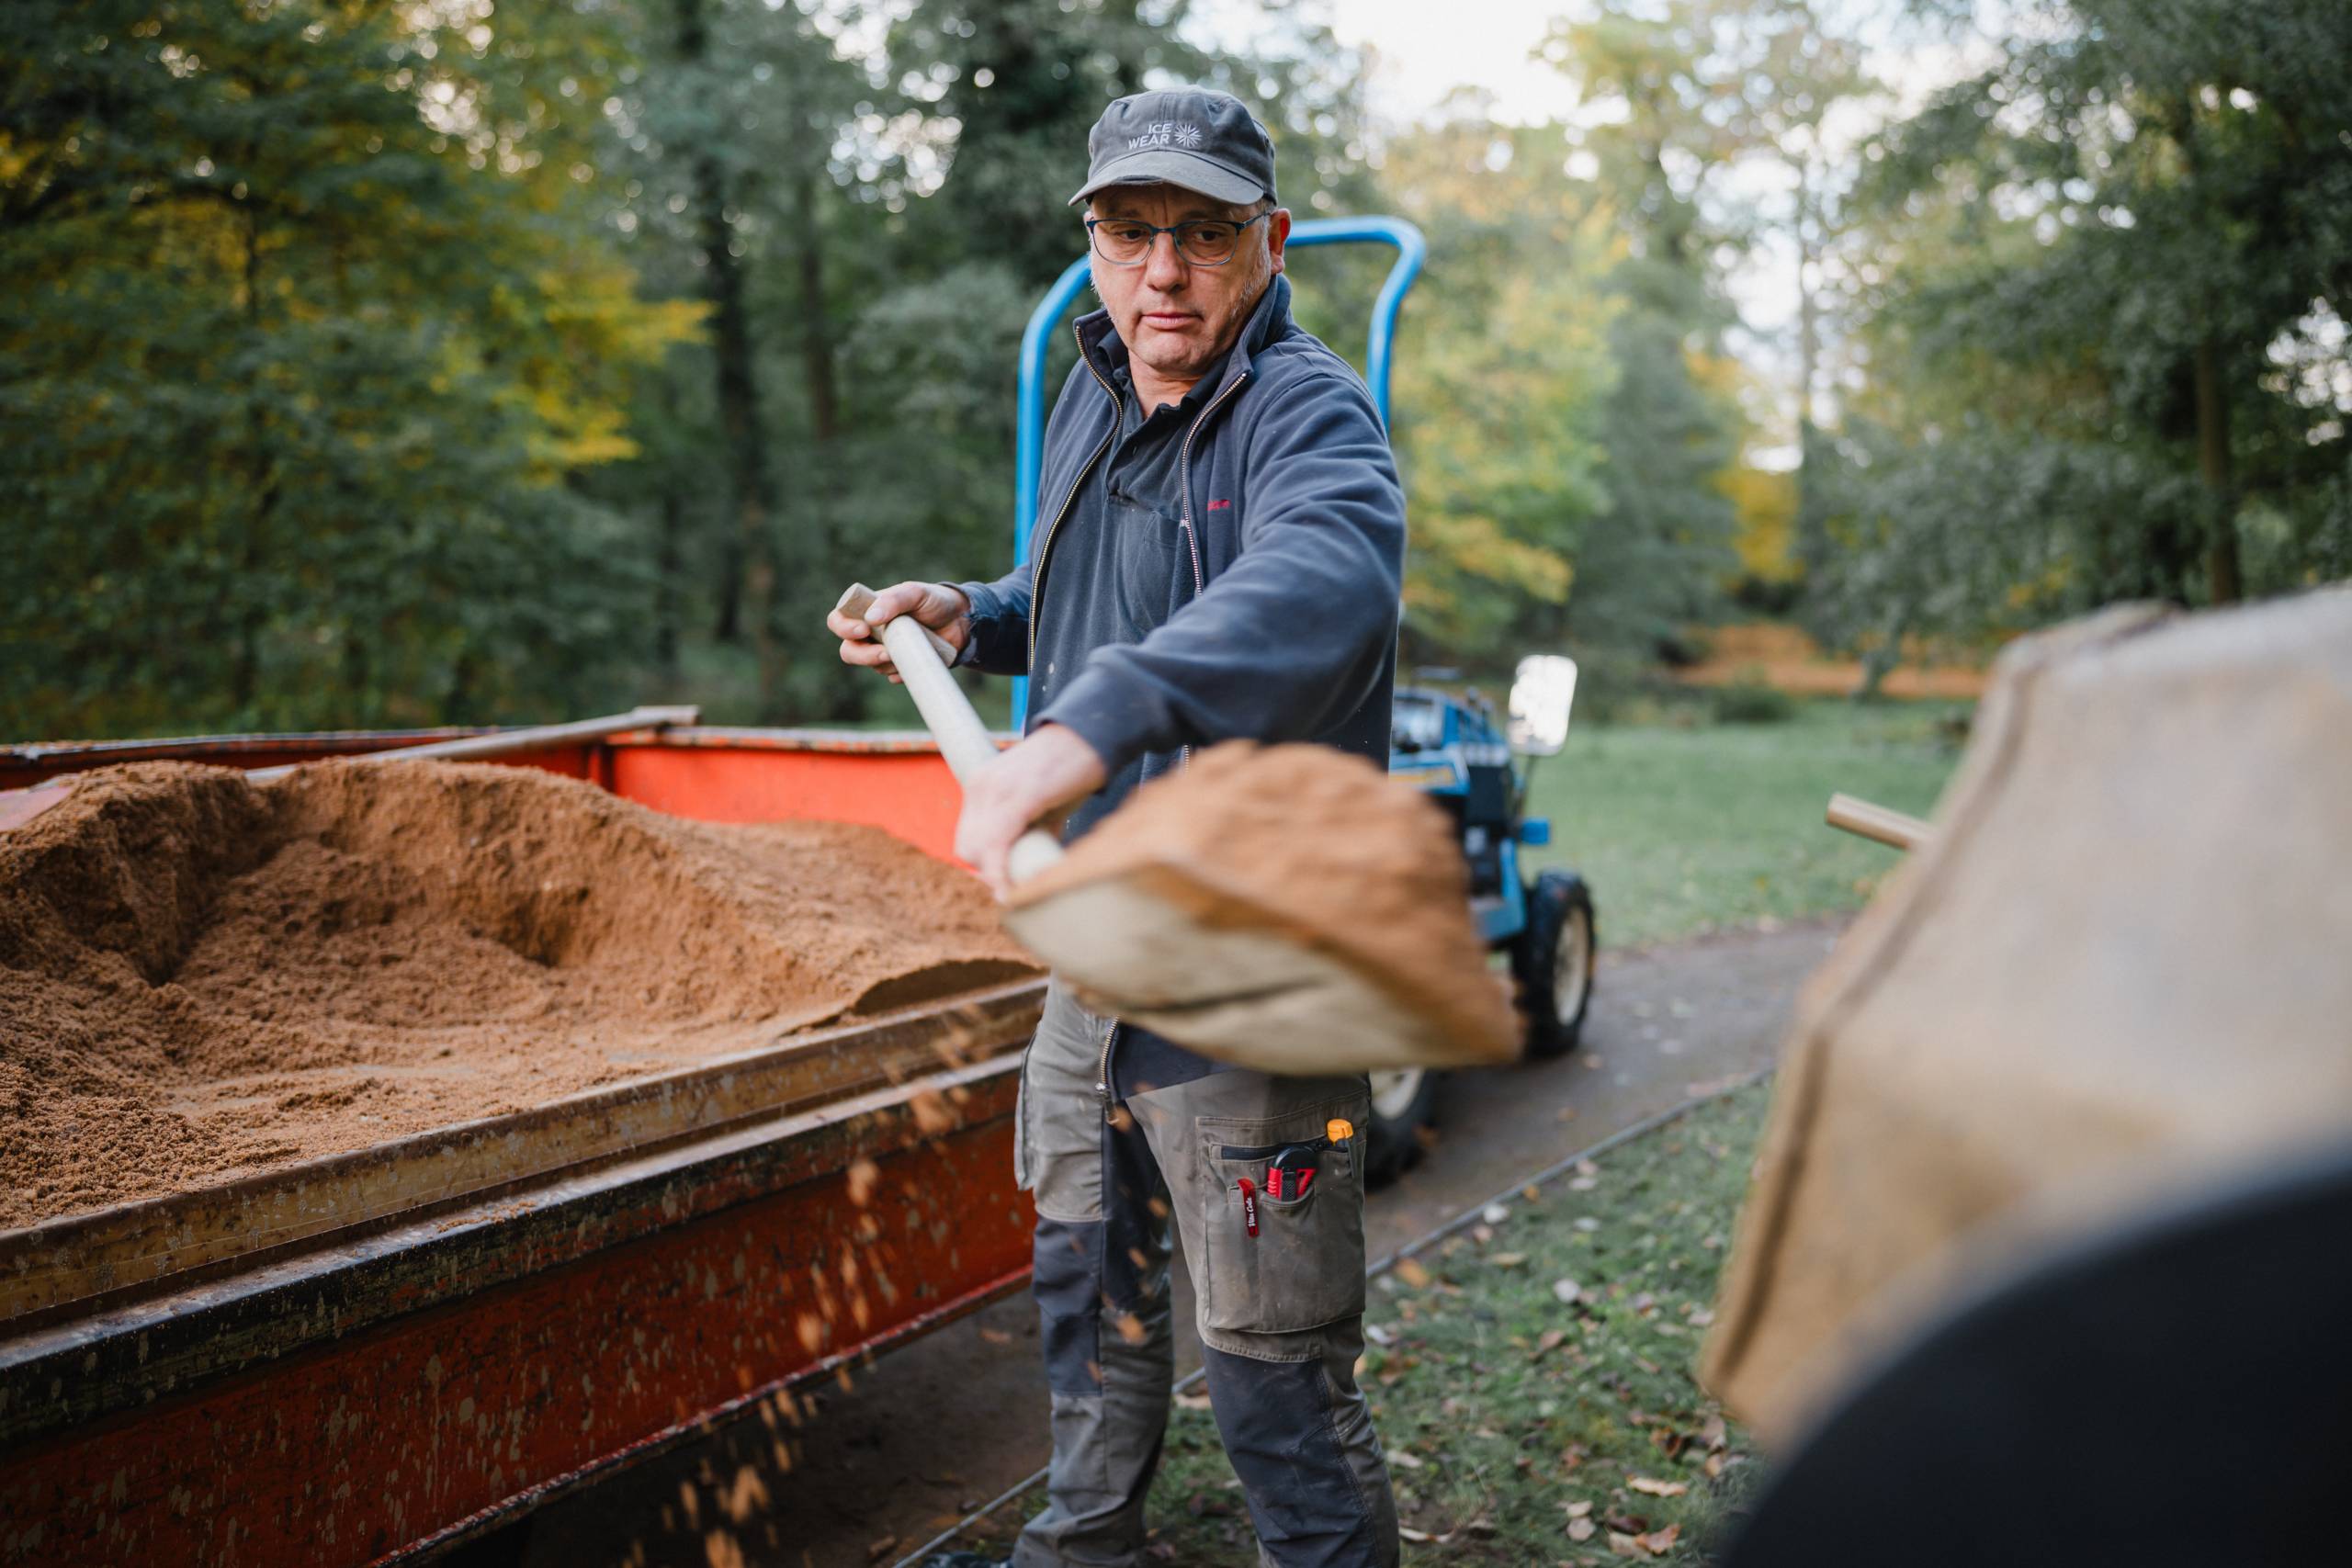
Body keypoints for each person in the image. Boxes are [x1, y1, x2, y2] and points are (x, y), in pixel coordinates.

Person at [829, 86, 1405, 1568]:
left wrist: (1084, 730)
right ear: (1092, 242)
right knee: (1091, 1288)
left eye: (1205, 236)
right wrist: (968, 615)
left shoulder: (1306, 414)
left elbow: (1323, 588)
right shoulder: (1096, 385)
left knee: (1274, 1373)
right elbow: (1079, 600)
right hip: (1098, 945)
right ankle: (1082, 1553)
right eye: (1132, 231)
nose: (1165, 272)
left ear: (1267, 243)